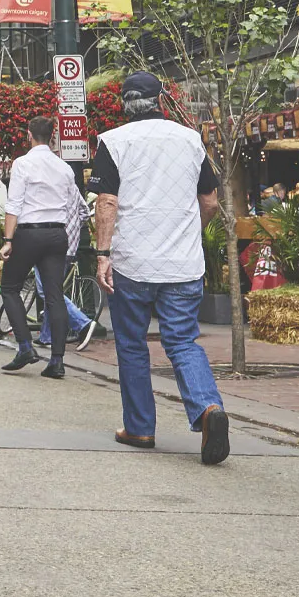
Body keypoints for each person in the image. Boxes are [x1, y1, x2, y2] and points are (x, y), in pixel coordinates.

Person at [91, 71, 230, 466]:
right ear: (161, 101)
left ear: (124, 104)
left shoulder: (113, 142)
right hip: (183, 264)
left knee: (133, 345)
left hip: (133, 263)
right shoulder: (190, 140)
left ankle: (140, 427)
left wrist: (103, 254)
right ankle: (207, 409)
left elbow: (107, 202)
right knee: (183, 341)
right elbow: (210, 202)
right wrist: (190, 236)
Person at [0, 115, 85, 378]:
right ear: (52, 138)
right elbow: (76, 206)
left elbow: (14, 204)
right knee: (54, 295)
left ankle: (25, 346)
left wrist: (8, 240)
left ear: (28, 134)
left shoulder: (22, 164)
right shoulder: (64, 168)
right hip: (57, 234)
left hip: (29, 233)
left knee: (9, 287)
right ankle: (57, 361)